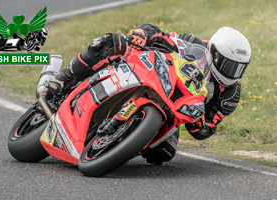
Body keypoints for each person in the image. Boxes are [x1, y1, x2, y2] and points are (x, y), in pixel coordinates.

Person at [46, 23, 251, 165]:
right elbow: (159, 35)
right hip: (150, 75)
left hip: (174, 111)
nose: (231, 73)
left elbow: (208, 128)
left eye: (238, 69)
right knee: (109, 43)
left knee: (163, 154)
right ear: (214, 53)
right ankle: (65, 78)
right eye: (228, 66)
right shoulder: (194, 44)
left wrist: (199, 124)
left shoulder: (230, 94)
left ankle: (117, 143)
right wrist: (142, 34)